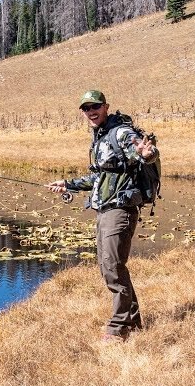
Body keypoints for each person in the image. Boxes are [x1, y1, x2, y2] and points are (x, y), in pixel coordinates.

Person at [47, 90, 158, 342]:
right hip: (104, 209)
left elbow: (145, 152)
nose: (90, 111)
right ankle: (134, 321)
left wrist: (147, 153)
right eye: (86, 108)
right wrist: (68, 184)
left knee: (112, 266)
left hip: (120, 209)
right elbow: (99, 177)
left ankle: (118, 328)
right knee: (108, 267)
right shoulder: (100, 137)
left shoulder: (120, 133)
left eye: (95, 106)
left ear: (106, 106)